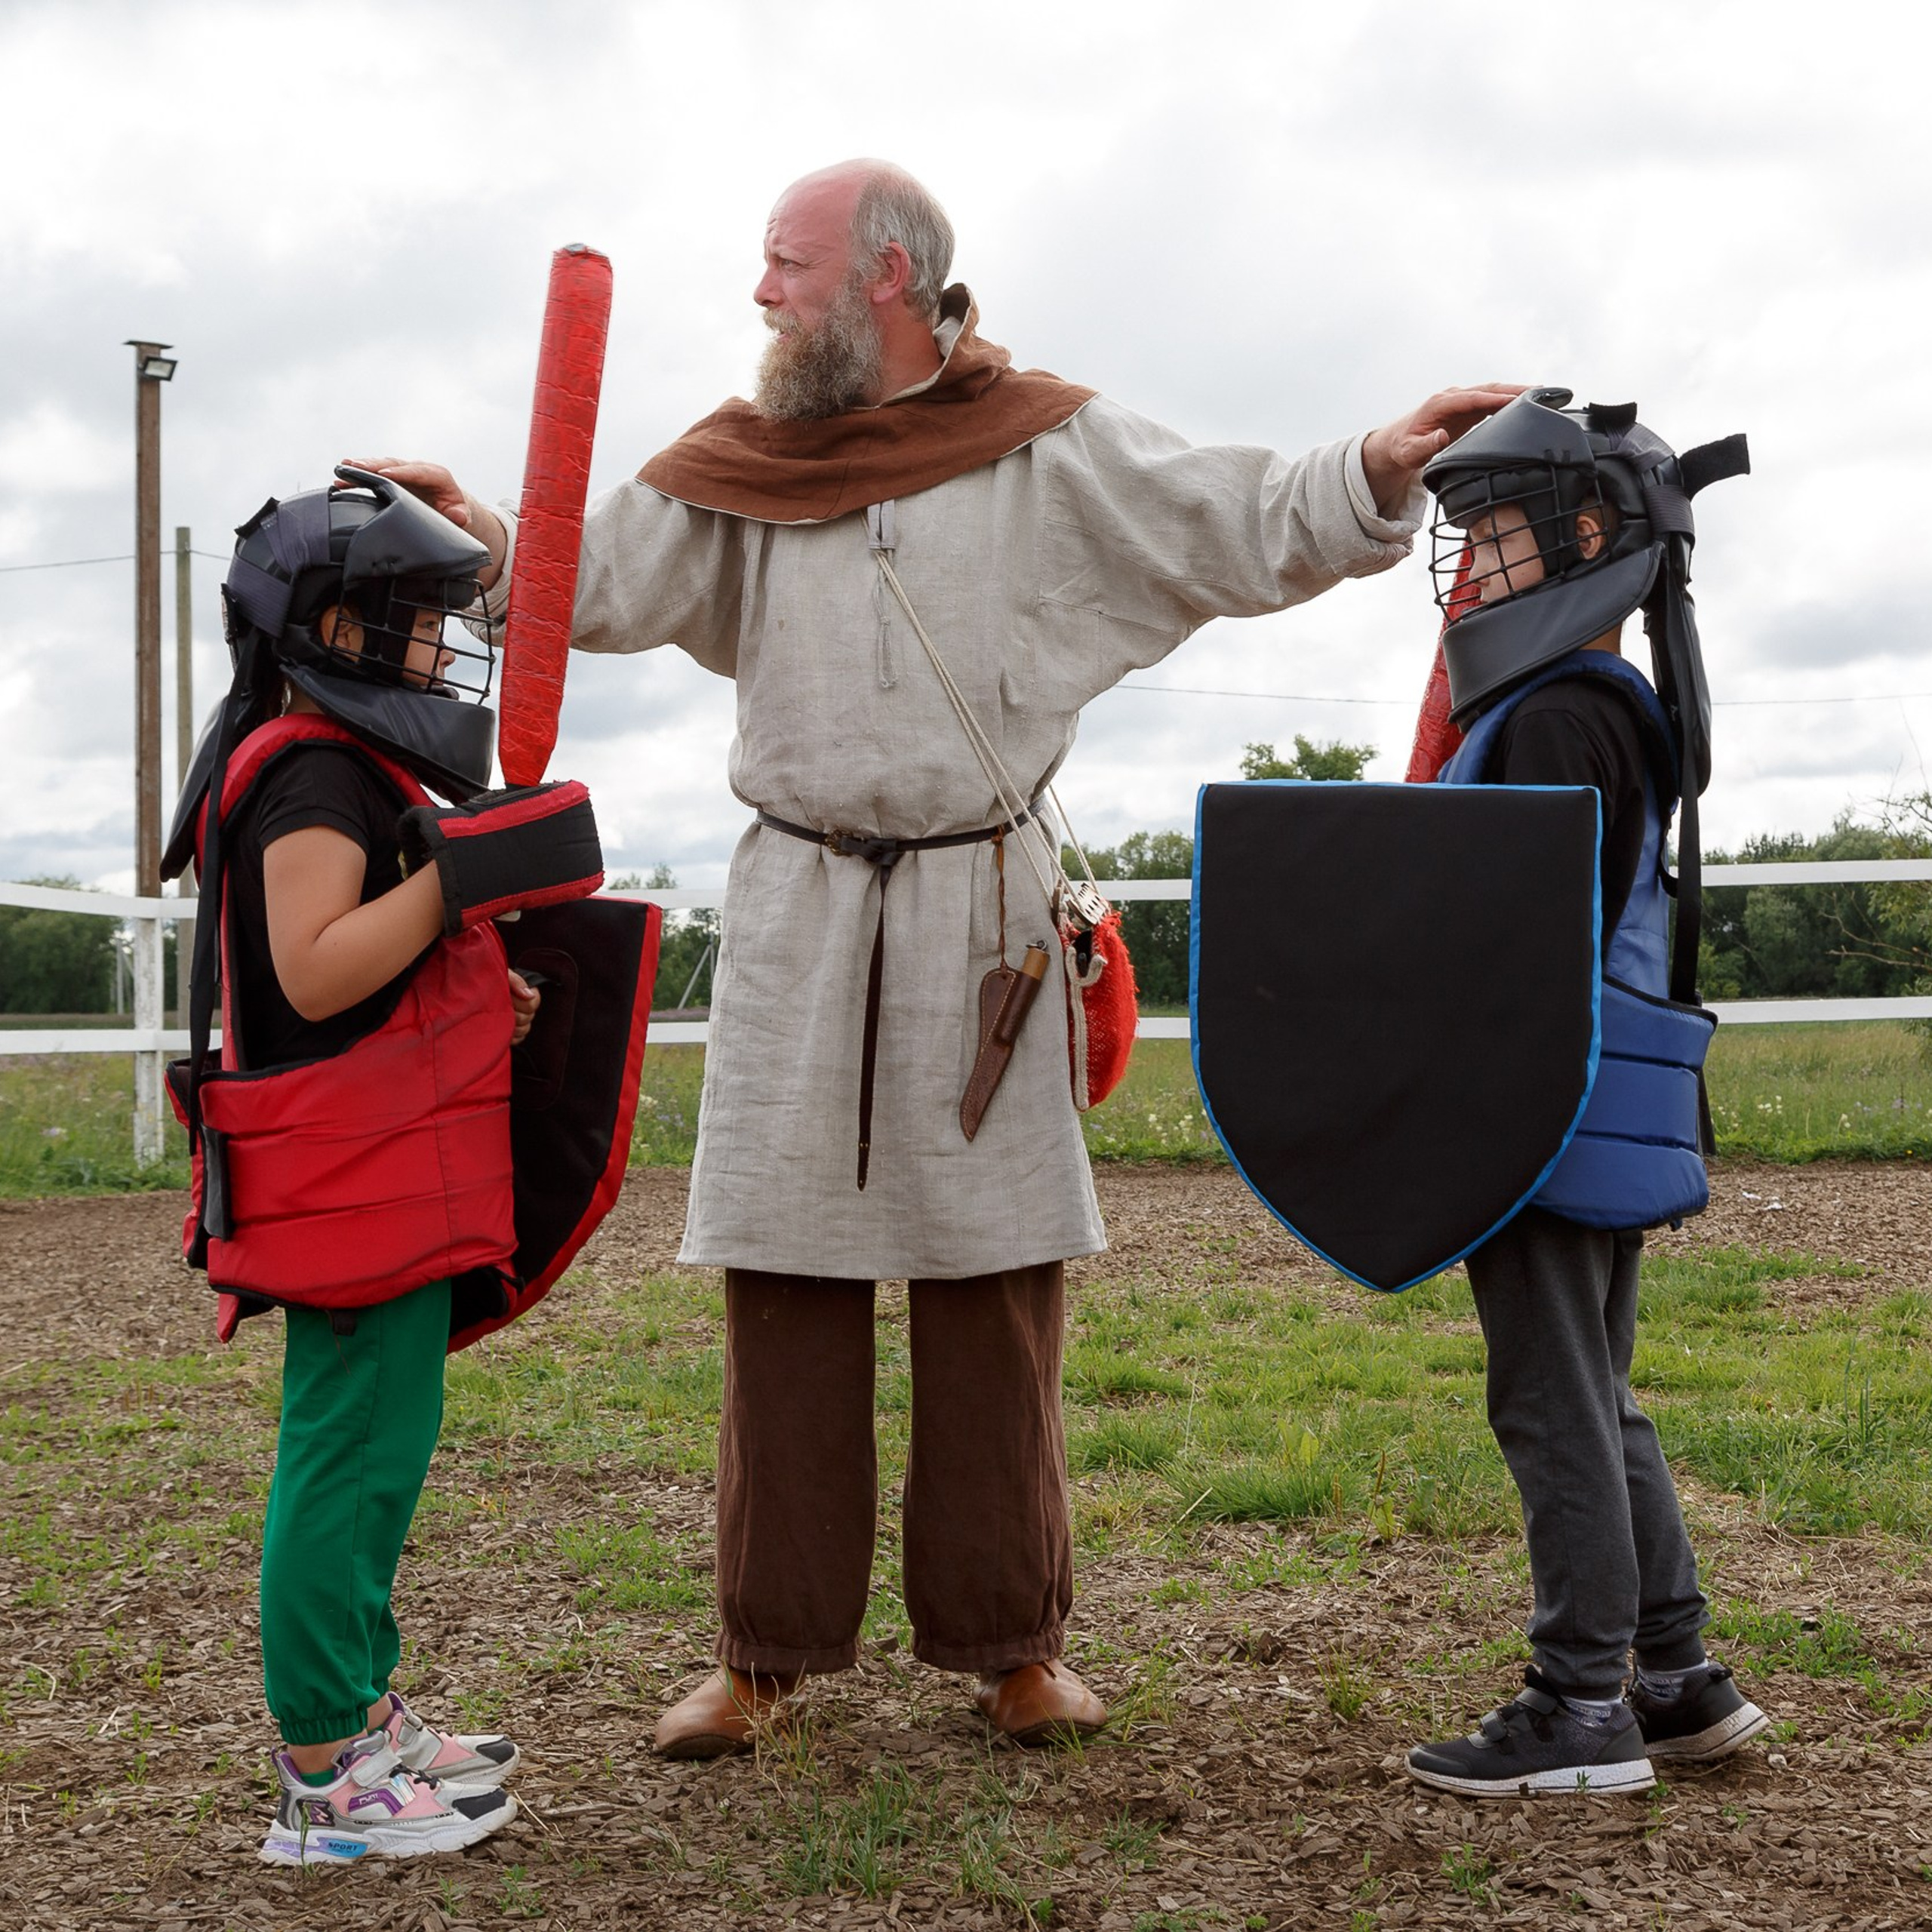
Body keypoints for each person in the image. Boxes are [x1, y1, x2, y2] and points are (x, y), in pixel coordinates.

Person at [360, 159, 1519, 1758]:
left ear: (884, 278)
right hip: (799, 910)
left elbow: (1228, 514)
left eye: (788, 265)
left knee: (992, 1284)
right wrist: (487, 535)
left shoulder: (1038, 444)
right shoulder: (746, 456)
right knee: (783, 1281)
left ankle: (1006, 1639)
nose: (762, 293)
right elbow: (600, 573)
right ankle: (763, 1648)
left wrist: (1370, 466)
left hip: (983, 912)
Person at [162, 472, 605, 1860]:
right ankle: (321, 1773)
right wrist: (462, 882)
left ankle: (359, 1711)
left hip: (386, 1182)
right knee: (345, 1456)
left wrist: (482, 985)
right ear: (338, 629)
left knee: (381, 1455)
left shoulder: (353, 766)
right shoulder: (311, 769)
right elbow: (314, 962)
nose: (442, 646)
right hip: (347, 1185)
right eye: (416, 620)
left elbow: (371, 984)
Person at [1403, 389, 1767, 1796]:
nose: (1472, 563)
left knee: (1553, 1402)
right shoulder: (1595, 706)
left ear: (1588, 537)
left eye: (1494, 530)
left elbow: (1512, 956)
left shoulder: (1558, 717)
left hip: (1544, 1111)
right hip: (1589, 1106)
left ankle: (1580, 1705)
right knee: (1598, 1395)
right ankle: (1675, 1677)